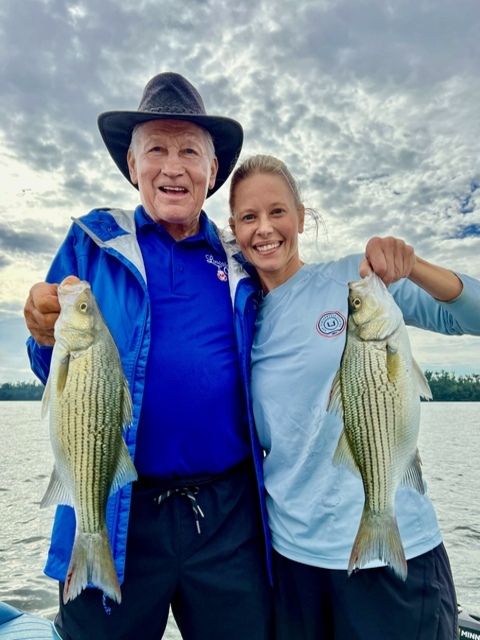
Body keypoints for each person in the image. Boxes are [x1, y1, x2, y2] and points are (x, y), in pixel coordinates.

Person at [23, 74, 272, 640]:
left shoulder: (245, 260)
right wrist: (40, 334)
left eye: (190, 151)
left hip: (227, 516)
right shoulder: (91, 244)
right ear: (132, 167)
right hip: (113, 506)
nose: (173, 166)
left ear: (213, 173)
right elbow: (49, 371)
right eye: (156, 149)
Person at [227, 154, 480, 640]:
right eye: (249, 217)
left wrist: (414, 266)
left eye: (278, 212)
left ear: (302, 217)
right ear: (234, 228)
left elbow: (471, 317)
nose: (265, 229)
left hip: (396, 555)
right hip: (294, 562)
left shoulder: (358, 282)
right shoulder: (244, 321)